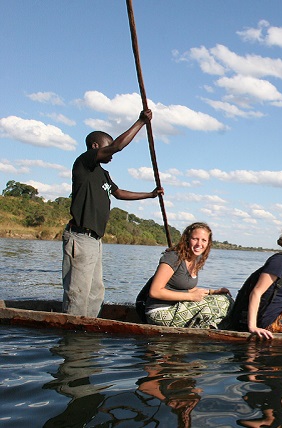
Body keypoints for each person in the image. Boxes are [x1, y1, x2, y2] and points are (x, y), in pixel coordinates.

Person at [62, 109, 163, 317]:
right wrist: (140, 122)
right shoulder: (84, 163)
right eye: (106, 147)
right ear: (95, 147)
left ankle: (87, 333)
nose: (111, 154)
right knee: (78, 293)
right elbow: (117, 147)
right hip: (80, 237)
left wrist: (151, 194)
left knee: (96, 292)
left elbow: (119, 193)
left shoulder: (102, 174)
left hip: (95, 240)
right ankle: (72, 337)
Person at [142, 222, 232, 329]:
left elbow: (187, 288)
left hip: (177, 307)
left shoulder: (195, 259)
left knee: (225, 298)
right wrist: (191, 297)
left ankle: (209, 328)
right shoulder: (173, 257)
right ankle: (206, 330)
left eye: (204, 240)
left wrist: (212, 292)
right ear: (187, 239)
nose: (199, 244)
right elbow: (155, 291)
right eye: (195, 239)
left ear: (208, 243)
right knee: (221, 302)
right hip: (160, 312)